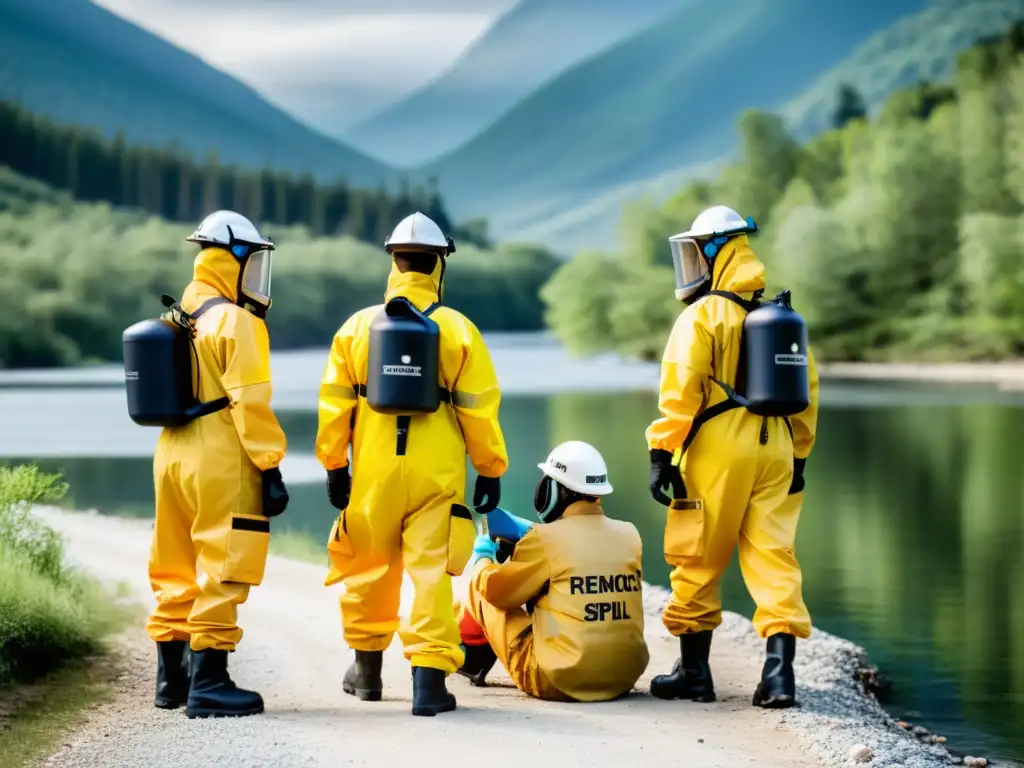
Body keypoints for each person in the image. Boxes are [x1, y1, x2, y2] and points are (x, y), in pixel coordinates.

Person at [316, 211, 507, 717]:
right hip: (435, 474)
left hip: (374, 474)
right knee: (429, 573)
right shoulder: (459, 329)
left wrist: (336, 466)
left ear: (394, 260)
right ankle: (428, 683)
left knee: (369, 568)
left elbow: (334, 405)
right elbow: (479, 408)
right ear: (439, 263)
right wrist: (490, 469)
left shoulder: (356, 328)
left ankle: (367, 674)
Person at [645, 205, 819, 709]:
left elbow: (679, 390)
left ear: (717, 251)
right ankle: (779, 677)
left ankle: (695, 674)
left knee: (696, 555)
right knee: (774, 557)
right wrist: (800, 456)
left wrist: (661, 451)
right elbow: (809, 389)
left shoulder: (701, 315)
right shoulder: (780, 317)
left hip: (718, 448)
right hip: (779, 447)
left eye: (699, 251)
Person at [147, 210, 289, 719]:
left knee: (174, 563)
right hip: (218, 455)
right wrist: (270, 467)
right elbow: (250, 403)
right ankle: (210, 683)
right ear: (234, 257)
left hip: (171, 453)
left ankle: (172, 679)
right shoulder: (236, 321)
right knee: (224, 562)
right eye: (252, 258)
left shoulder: (179, 312)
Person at [455, 440, 650, 703]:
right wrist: (528, 536)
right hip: (623, 678)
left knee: (481, 585)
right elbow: (580, 554)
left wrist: (483, 556)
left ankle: (472, 657)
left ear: (556, 491)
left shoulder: (544, 540)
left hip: (557, 679)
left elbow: (496, 593)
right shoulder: (629, 534)